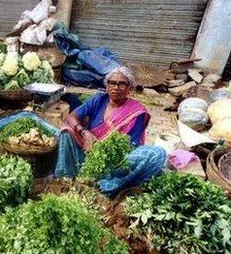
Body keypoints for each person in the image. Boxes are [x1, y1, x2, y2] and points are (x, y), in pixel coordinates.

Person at [53, 66, 166, 196]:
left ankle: (101, 186)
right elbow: (72, 117)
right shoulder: (98, 99)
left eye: (122, 84)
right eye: (112, 83)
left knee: (157, 153)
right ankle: (65, 179)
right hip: (87, 152)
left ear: (129, 88)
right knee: (66, 133)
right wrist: (85, 132)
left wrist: (103, 151)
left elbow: (131, 146)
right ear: (107, 86)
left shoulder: (136, 111)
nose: (116, 87)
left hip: (113, 164)